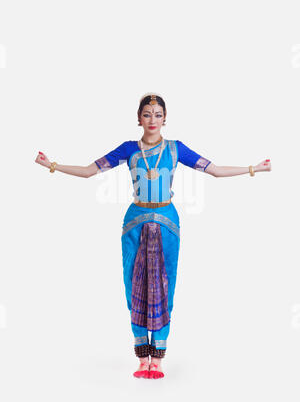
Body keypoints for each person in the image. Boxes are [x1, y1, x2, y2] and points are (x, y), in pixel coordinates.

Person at [35, 92, 272, 379]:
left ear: (165, 119)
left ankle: (158, 356)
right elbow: (88, 172)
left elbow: (216, 171)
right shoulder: (128, 149)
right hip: (135, 222)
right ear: (138, 118)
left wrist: (254, 169)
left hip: (167, 223)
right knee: (132, 282)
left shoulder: (175, 149)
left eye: (158, 114)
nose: (152, 120)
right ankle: (140, 355)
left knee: (164, 282)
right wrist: (52, 165)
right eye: (147, 114)